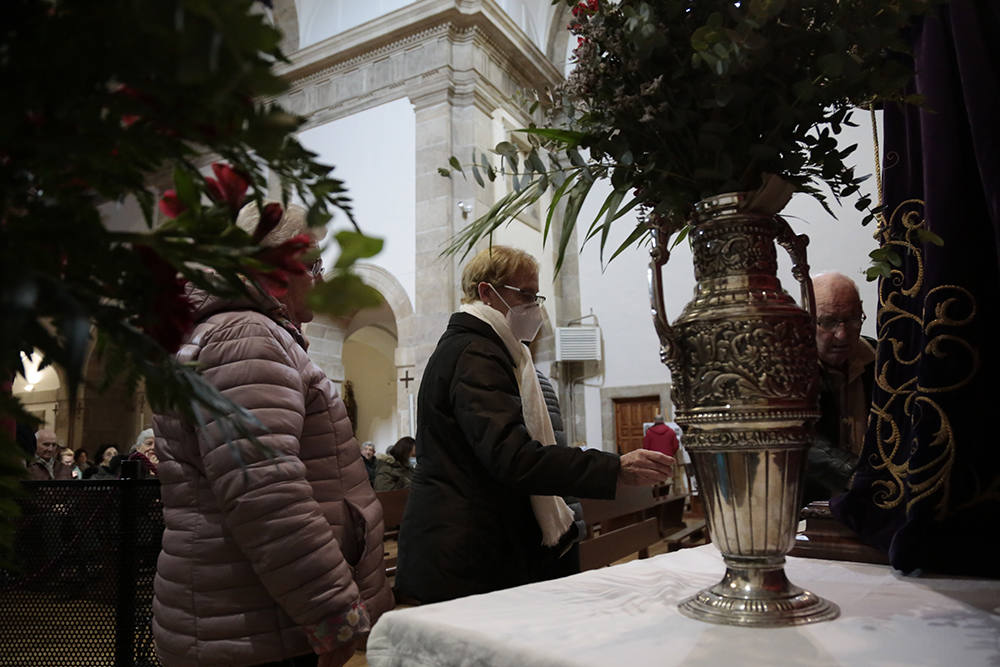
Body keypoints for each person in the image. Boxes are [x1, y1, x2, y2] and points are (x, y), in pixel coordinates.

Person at [151, 202, 392, 667]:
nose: (320, 280)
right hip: (256, 624)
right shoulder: (247, 335)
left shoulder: (235, 332)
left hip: (256, 614)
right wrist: (333, 615)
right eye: (313, 266)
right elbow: (265, 494)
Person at [395, 245, 674, 604]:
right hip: (462, 551)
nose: (535, 307)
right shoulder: (475, 354)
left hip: (476, 542)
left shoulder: (496, 351)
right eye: (525, 294)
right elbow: (512, 457)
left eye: (536, 295)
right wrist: (614, 468)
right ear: (486, 292)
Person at [804, 272, 876, 504]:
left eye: (853, 318)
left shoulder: (882, 359)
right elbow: (794, 435)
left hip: (874, 502)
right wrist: (853, 474)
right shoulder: (786, 368)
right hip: (809, 508)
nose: (843, 334)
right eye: (828, 322)